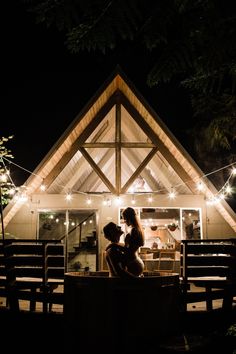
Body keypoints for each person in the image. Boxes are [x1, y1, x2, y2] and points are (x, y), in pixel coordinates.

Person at [122, 207, 145, 277]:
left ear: (129, 218)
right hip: (136, 261)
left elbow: (130, 251)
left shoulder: (133, 230)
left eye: (124, 218)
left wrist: (124, 244)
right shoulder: (137, 229)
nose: (124, 221)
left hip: (133, 263)